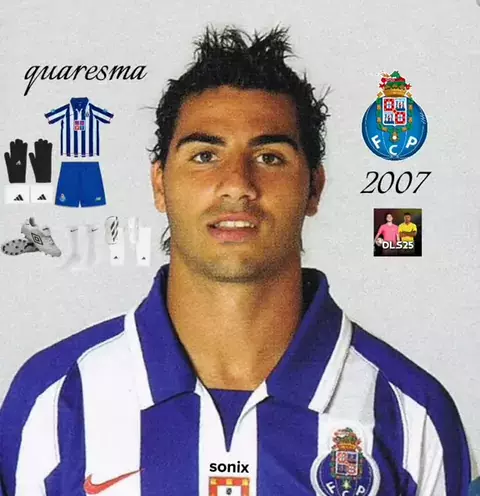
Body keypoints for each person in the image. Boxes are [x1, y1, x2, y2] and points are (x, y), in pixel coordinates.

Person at [0, 27, 471, 495]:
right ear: (160, 184)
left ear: (314, 188)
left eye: (269, 157)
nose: (237, 185)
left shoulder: (412, 416)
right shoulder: (52, 400)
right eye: (205, 155)